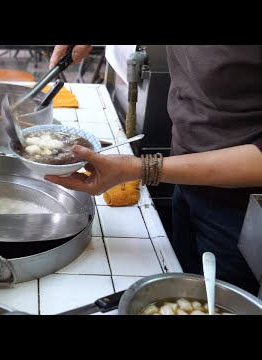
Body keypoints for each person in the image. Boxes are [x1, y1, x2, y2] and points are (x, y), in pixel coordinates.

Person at [47, 45, 262, 295]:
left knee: (216, 301)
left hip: (240, 211)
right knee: (185, 288)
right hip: (186, 174)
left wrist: (145, 168)